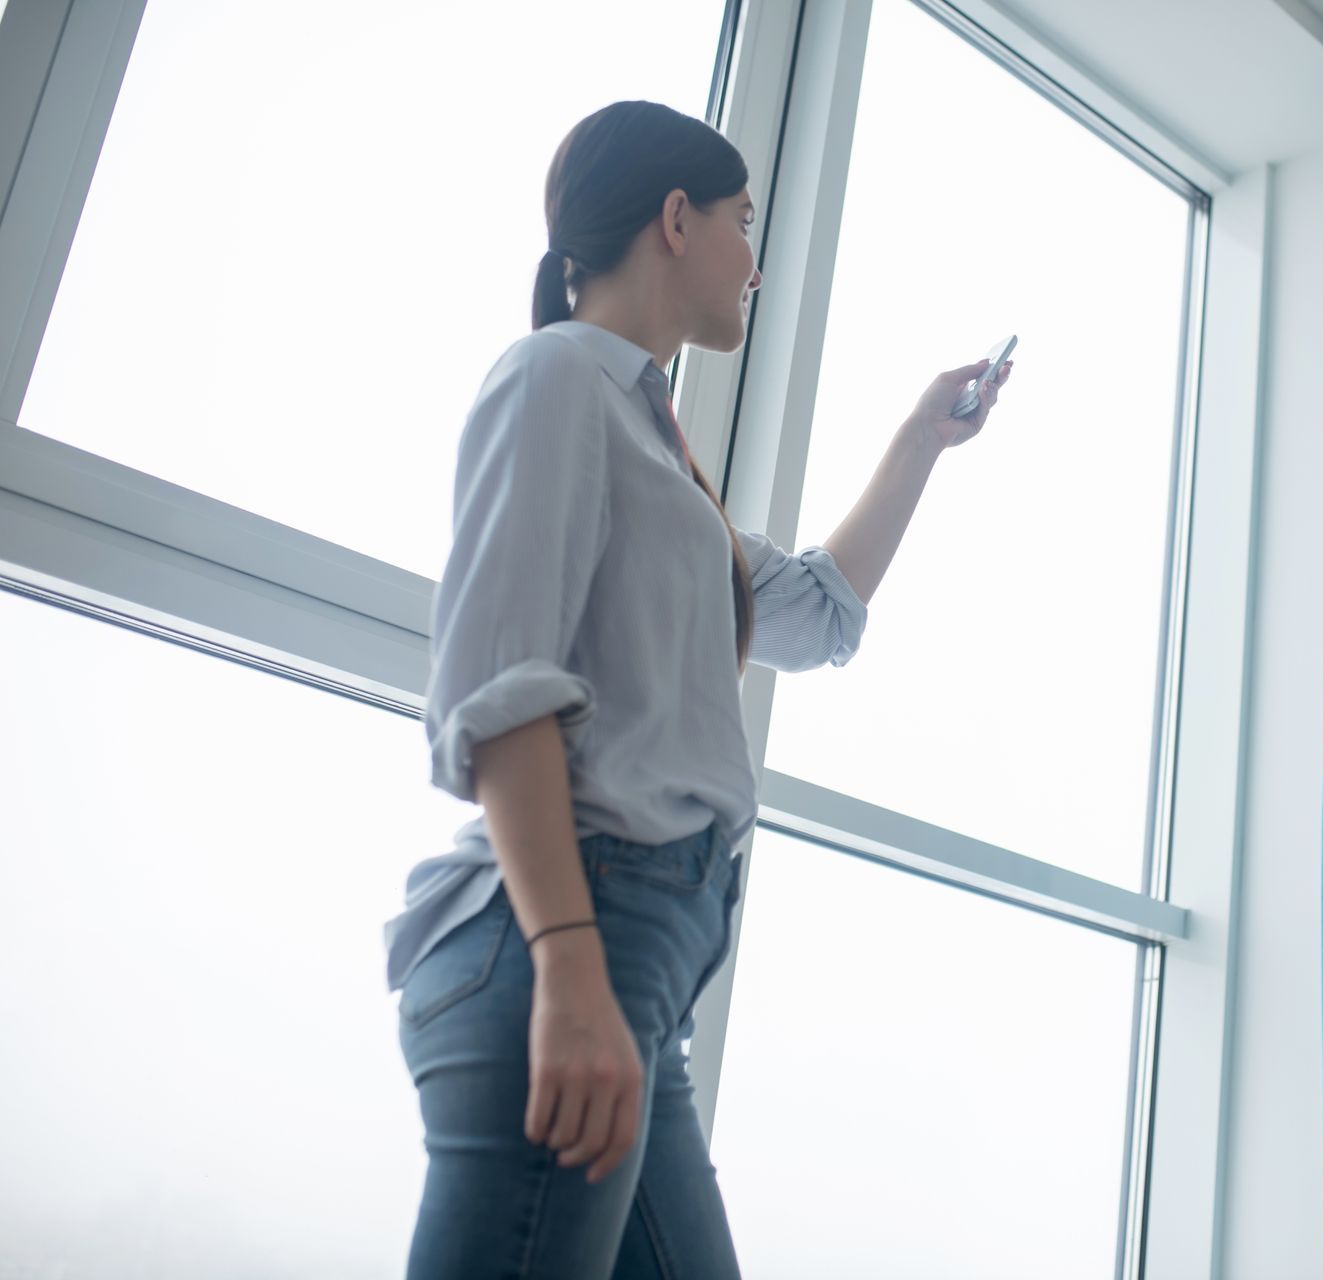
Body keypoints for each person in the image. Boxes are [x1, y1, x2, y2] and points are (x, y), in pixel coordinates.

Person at [380, 99, 1012, 1278]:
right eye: (743, 221)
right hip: (566, 946)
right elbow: (499, 691)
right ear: (677, 219)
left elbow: (814, 615)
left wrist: (924, 440)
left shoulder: (661, 454)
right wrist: (568, 966)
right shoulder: (555, 377)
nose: (755, 261)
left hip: (631, 979)